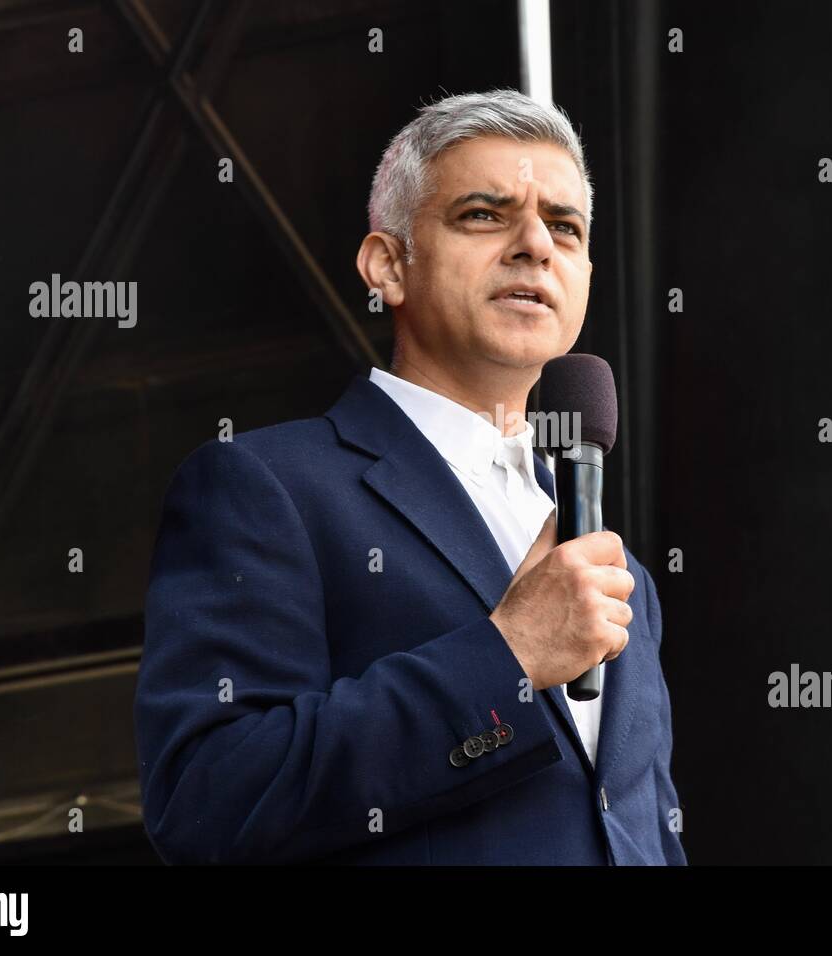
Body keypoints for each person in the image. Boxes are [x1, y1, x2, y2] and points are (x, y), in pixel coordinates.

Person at [134, 89, 686, 865]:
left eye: (565, 226)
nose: (536, 244)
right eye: (485, 215)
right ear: (387, 265)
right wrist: (508, 657)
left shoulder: (613, 568)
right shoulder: (266, 487)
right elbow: (209, 795)